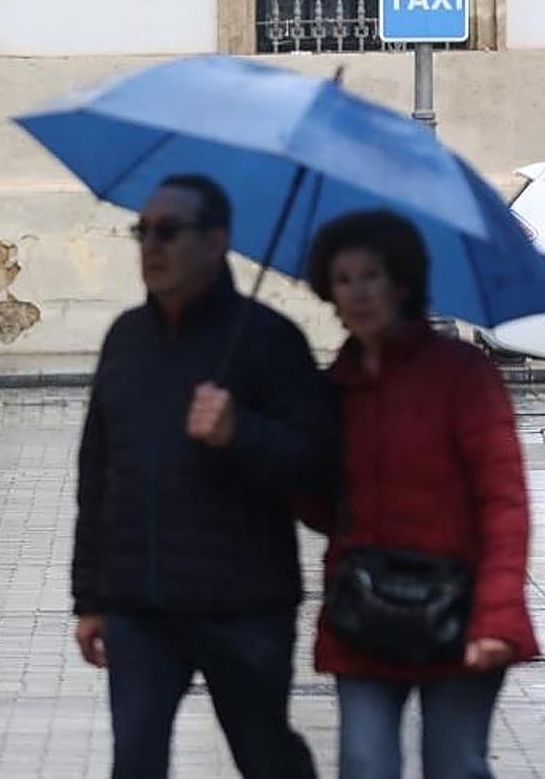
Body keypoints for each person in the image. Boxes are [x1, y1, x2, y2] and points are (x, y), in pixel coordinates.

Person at [73, 174, 335, 778]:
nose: (152, 246)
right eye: (143, 231)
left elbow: (319, 465)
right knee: (135, 764)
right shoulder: (126, 340)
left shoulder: (271, 341)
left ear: (216, 241)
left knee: (265, 755)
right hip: (141, 605)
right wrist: (90, 598)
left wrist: (240, 433)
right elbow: (97, 474)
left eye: (169, 231)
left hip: (242, 605)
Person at [301, 210, 538, 779]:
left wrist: (497, 617)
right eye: (343, 279)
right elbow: (321, 508)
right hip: (365, 610)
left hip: (458, 611)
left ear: (403, 282)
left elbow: (505, 501)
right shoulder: (336, 386)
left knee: (453, 764)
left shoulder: (462, 375)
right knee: (363, 763)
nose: (357, 292)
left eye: (371, 276)